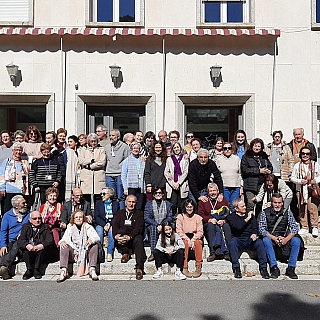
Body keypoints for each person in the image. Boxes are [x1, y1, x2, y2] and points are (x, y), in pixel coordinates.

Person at [259, 194, 301, 279]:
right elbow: (262, 229)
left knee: (297, 240)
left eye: (279, 203)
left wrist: (286, 239)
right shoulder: (265, 212)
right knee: (266, 240)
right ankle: (274, 267)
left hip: (284, 237)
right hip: (272, 237)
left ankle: (291, 268)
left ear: (282, 203)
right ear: (271, 203)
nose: (277, 205)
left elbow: (294, 227)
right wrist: (274, 238)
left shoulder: (287, 212)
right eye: (275, 203)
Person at [227, 198, 270, 279]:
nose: (245, 207)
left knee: (260, 243)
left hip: (250, 239)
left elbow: (256, 228)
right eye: (242, 206)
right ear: (236, 208)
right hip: (239, 239)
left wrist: (255, 234)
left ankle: (263, 268)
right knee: (232, 242)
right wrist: (247, 219)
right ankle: (236, 268)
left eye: (244, 205)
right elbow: (237, 227)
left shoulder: (251, 216)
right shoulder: (231, 217)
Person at [57, 210, 100, 282]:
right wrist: (61, 242)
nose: (78, 219)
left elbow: (96, 237)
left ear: (83, 218)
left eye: (80, 217)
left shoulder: (88, 226)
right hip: (74, 253)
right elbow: (64, 239)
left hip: (85, 252)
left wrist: (91, 240)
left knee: (94, 245)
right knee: (63, 246)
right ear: (73, 219)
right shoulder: (70, 227)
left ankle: (92, 269)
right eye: (76, 217)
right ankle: (64, 271)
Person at [112, 195, 147, 280]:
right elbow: (115, 226)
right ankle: (125, 253)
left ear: (136, 203)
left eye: (133, 202)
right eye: (129, 202)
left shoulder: (139, 213)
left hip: (132, 236)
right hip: (122, 236)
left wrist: (130, 237)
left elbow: (139, 228)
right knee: (118, 236)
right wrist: (116, 235)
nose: (131, 204)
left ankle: (139, 268)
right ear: (125, 202)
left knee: (138, 239)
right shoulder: (119, 213)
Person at [290, 147, 320, 237]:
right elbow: (292, 178)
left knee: (313, 207)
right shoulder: (297, 165)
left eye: (307, 153)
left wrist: (315, 180)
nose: (305, 155)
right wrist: (300, 181)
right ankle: (304, 227)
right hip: (301, 190)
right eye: (303, 153)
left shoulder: (315, 164)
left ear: (310, 155)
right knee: (302, 208)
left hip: (312, 189)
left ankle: (314, 226)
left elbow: (319, 176)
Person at [198, 183, 231, 262]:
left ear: (218, 191)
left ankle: (228, 252)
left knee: (226, 226)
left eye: (214, 191)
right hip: (208, 222)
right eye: (210, 191)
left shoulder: (223, 200)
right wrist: (209, 219)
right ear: (208, 192)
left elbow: (228, 213)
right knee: (210, 226)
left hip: (221, 221)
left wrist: (224, 220)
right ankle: (213, 252)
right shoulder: (204, 201)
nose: (212, 193)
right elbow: (200, 215)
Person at [17, 210, 54, 280]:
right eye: (34, 219)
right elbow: (20, 240)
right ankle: (29, 270)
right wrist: (27, 245)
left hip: (40, 250)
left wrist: (42, 245)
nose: (37, 220)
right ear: (30, 220)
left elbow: (50, 240)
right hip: (30, 249)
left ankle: (36, 269)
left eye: (39, 218)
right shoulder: (26, 227)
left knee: (41, 250)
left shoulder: (45, 227)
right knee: (26, 251)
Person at [0, 195, 30, 280]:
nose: (26, 204)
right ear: (16, 205)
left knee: (17, 244)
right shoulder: (7, 215)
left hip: (23, 242)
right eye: (23, 203)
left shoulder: (29, 214)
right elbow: (3, 231)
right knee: (6, 250)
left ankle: (3, 265)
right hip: (10, 241)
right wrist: (3, 245)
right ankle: (4, 270)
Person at [241, 138, 273, 213]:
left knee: (259, 204)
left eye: (259, 146)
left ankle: (258, 222)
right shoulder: (246, 156)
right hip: (250, 184)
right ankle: (249, 221)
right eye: (255, 146)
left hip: (261, 184)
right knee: (250, 203)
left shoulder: (264, 156)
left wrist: (268, 170)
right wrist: (259, 171)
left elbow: (270, 166)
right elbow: (245, 170)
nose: (257, 148)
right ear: (252, 146)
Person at [176, 199, 203, 278]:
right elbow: (179, 231)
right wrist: (188, 240)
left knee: (198, 243)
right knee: (185, 243)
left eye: (191, 207)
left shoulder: (198, 218)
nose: (189, 208)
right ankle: (185, 266)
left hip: (195, 237)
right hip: (184, 237)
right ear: (185, 207)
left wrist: (193, 240)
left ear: (194, 207)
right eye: (187, 207)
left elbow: (200, 232)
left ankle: (198, 266)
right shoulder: (180, 217)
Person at [144, 187, 173, 262]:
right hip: (152, 224)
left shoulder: (168, 204)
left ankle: (169, 250)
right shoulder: (149, 204)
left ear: (163, 194)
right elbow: (146, 217)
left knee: (171, 226)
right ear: (153, 195)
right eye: (156, 193)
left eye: (160, 193)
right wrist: (157, 224)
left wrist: (162, 225)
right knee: (153, 228)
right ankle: (153, 252)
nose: (158, 194)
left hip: (164, 224)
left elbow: (169, 217)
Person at [0, 142, 30, 213]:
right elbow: (1, 175)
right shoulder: (7, 162)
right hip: (8, 191)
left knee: (21, 211)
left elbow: (28, 175)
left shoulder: (25, 162)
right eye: (16, 150)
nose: (18, 152)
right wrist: (2, 188)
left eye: (20, 150)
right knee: (7, 211)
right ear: (13, 151)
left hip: (21, 191)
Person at [78, 133, 106, 206]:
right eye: (91, 141)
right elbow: (81, 161)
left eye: (95, 141)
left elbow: (102, 162)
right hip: (86, 178)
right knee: (86, 199)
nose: (93, 143)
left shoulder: (101, 149)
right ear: (88, 142)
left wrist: (90, 166)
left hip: (98, 178)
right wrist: (92, 160)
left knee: (99, 199)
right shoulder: (83, 150)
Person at [105, 129, 130, 210]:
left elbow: (127, 160)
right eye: (110, 135)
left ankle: (122, 214)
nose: (111, 137)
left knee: (121, 196)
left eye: (113, 135)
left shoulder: (125, 147)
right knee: (112, 196)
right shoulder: (107, 147)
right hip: (109, 174)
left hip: (120, 174)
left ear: (118, 137)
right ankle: (113, 215)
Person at [164, 141, 189, 218]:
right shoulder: (169, 159)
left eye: (178, 147)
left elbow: (185, 172)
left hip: (181, 185)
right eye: (174, 147)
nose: (176, 149)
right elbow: (166, 172)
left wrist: (178, 182)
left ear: (181, 148)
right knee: (173, 205)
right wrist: (173, 183)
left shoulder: (185, 159)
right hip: (172, 186)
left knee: (182, 205)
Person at [94, 187, 119, 262]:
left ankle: (109, 253)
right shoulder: (98, 204)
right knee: (99, 230)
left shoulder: (116, 204)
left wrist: (109, 223)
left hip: (112, 223)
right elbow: (96, 217)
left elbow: (117, 216)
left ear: (110, 195)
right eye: (101, 193)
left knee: (112, 231)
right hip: (101, 223)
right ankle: (100, 251)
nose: (102, 195)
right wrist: (104, 224)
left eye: (104, 194)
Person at [216, 141, 242, 210]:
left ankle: (233, 220)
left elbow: (241, 173)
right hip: (224, 186)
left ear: (232, 149)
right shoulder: (219, 159)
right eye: (225, 148)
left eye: (229, 148)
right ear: (223, 150)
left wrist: (242, 186)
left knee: (234, 206)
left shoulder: (237, 159)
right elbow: (215, 174)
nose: (227, 150)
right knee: (226, 205)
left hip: (236, 186)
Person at [121, 142, 146, 210]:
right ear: (131, 149)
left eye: (137, 148)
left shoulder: (143, 159)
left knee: (139, 205)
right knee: (131, 205)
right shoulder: (127, 160)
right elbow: (123, 175)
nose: (136, 150)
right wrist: (125, 188)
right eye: (134, 148)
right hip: (131, 187)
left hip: (140, 186)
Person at [59, 135, 80, 200]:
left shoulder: (81, 151)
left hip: (79, 176)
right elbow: (62, 164)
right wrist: (64, 174)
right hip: (68, 176)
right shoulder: (65, 152)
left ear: (76, 142)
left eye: (71, 141)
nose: (69, 143)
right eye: (68, 142)